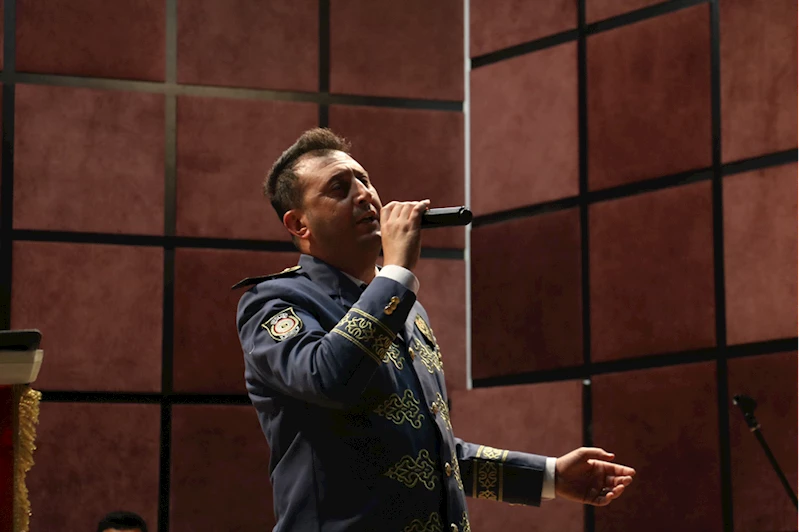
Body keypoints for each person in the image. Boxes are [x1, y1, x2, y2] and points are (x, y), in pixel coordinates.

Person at [235, 128, 635, 531]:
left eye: (365, 180)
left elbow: (428, 455)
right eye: (339, 188)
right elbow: (327, 378)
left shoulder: (405, 307)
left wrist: (549, 477)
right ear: (299, 224)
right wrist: (396, 273)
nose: (364, 195)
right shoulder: (275, 302)